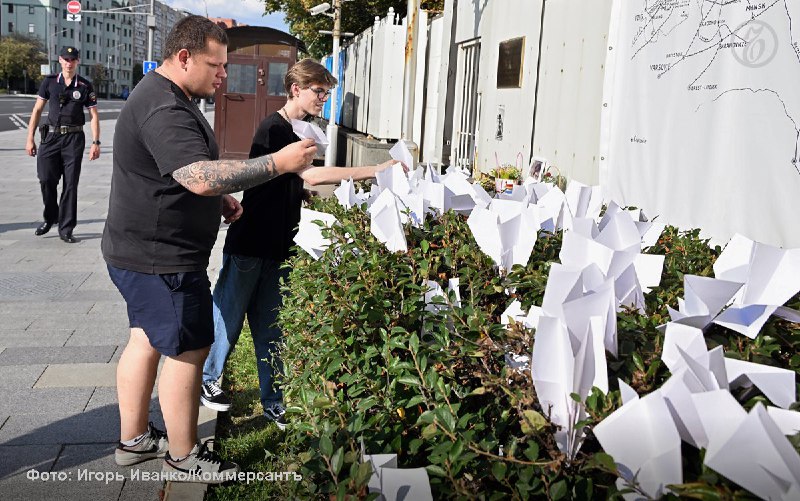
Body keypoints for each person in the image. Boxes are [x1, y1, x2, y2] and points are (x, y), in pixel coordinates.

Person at [101, 16, 317, 483]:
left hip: (142, 251)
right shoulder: (165, 107)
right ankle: (183, 456)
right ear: (184, 58)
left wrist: (220, 200)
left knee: (145, 339)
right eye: (215, 65)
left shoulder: (165, 96)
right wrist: (277, 163)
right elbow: (197, 175)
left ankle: (133, 441)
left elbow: (179, 169)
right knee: (190, 349)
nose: (222, 74)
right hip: (163, 259)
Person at [199, 58, 399, 429]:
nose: (324, 98)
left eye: (326, 92)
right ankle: (208, 380)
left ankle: (273, 400)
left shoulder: (296, 129)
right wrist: (372, 170)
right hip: (250, 242)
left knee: (272, 326)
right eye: (318, 91)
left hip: (279, 244)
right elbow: (311, 173)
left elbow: (289, 181)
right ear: (296, 89)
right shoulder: (274, 128)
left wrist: (298, 196)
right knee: (228, 314)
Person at [25, 46, 100, 244]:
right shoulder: (50, 82)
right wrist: (29, 138)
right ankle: (50, 217)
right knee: (45, 179)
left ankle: (66, 228)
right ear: (60, 60)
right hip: (50, 138)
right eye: (66, 59)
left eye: (72, 59)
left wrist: (96, 142)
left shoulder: (84, 85)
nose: (69, 63)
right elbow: (37, 110)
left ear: (77, 61)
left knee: (70, 185)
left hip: (74, 139)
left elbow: (93, 116)